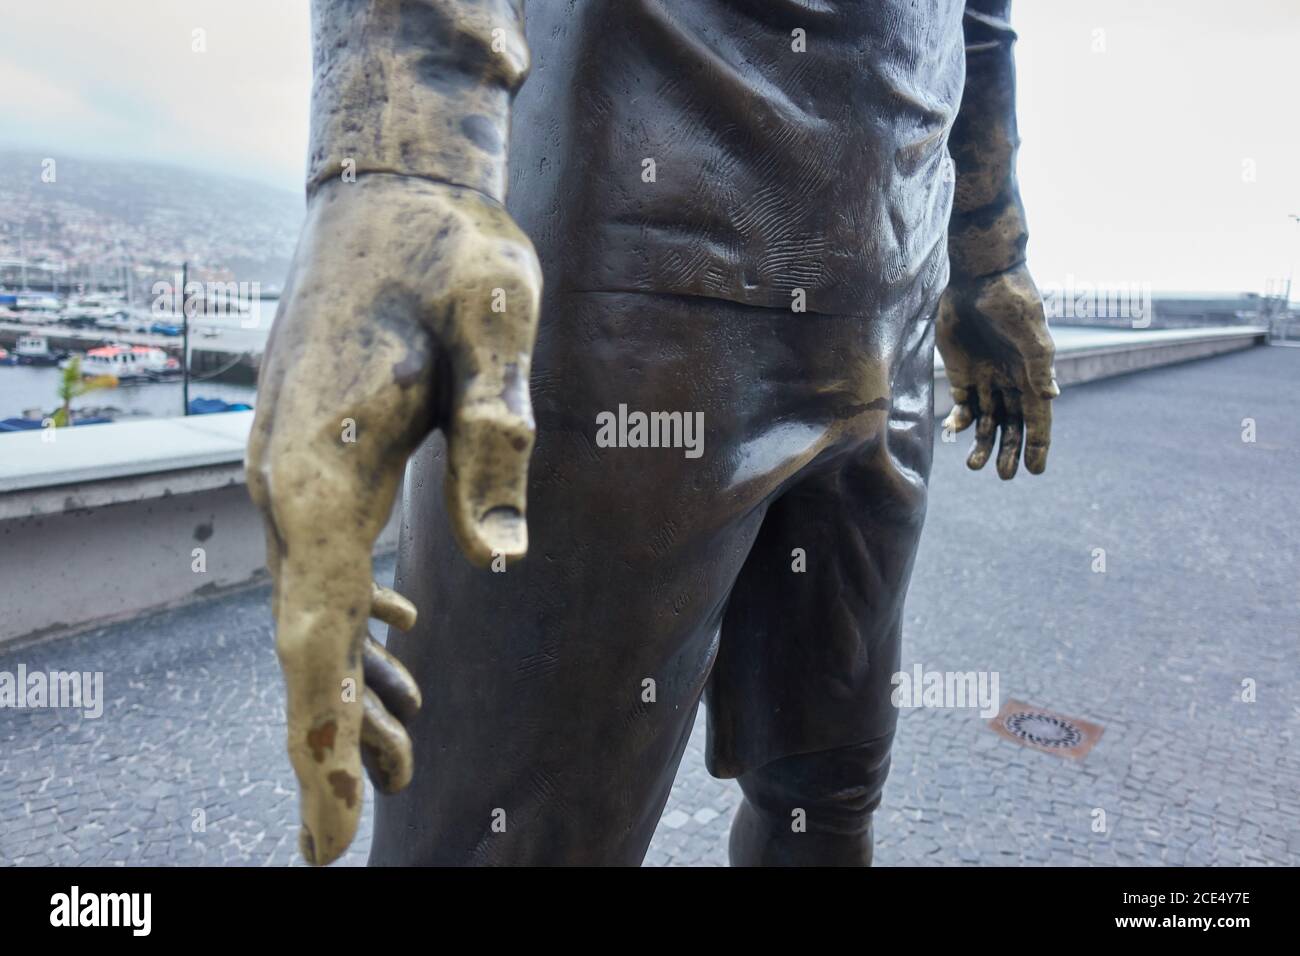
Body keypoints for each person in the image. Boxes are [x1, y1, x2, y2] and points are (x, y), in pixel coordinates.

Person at [247, 0, 1057, 866]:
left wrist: (988, 251)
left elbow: (976, 16)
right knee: (513, 836)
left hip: (888, 289)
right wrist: (403, 162)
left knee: (827, 793)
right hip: (636, 254)